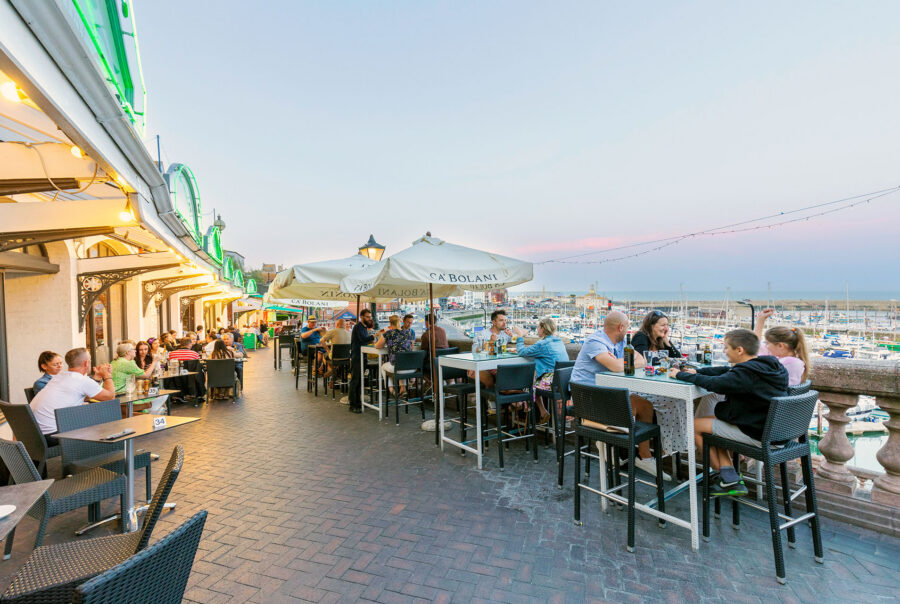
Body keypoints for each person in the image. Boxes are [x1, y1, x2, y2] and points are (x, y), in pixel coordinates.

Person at [671, 328, 789, 497]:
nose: (724, 351)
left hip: (761, 434)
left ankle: (726, 479)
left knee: (693, 426)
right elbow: (726, 371)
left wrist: (681, 375)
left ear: (739, 350)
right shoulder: (767, 366)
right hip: (775, 430)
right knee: (711, 425)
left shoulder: (745, 373)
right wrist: (698, 371)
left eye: (726, 347)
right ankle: (728, 474)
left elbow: (716, 384)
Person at [572, 312, 666, 478]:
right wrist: (623, 363)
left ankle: (644, 457)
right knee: (632, 405)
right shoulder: (596, 341)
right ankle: (611, 445)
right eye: (627, 326)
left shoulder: (621, 342)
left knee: (646, 405)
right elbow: (615, 367)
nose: (628, 329)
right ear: (621, 327)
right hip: (587, 399)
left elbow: (642, 360)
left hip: (606, 393)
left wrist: (622, 362)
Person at [30, 348, 116, 445]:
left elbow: (84, 396)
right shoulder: (81, 380)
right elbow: (110, 397)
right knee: (104, 425)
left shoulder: (59, 377)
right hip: (54, 435)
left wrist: (98, 376)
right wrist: (107, 375)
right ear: (86, 363)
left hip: (35, 435)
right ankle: (105, 456)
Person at [512, 317, 569, 423]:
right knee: (533, 381)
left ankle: (521, 406)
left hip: (551, 383)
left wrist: (520, 336)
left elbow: (521, 352)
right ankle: (542, 412)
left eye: (538, 327)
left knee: (528, 384)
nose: (537, 329)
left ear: (543, 328)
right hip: (563, 382)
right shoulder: (559, 342)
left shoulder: (542, 344)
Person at [754, 308, 809, 386]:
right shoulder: (787, 359)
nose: (766, 346)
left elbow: (755, 348)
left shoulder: (787, 363)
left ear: (780, 346)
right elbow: (756, 345)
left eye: (767, 343)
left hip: (773, 397)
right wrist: (761, 320)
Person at [469, 310, 515, 389]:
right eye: (501, 320)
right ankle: (494, 398)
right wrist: (490, 342)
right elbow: (474, 351)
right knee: (502, 375)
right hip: (484, 365)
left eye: (505, 320)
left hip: (498, 365)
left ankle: (513, 399)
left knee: (514, 372)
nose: (504, 323)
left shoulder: (505, 334)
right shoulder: (483, 334)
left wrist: (513, 335)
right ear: (494, 322)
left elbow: (523, 333)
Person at [375, 315, 415, 395]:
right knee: (397, 364)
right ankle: (403, 388)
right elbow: (412, 347)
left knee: (384, 366)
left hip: (398, 367)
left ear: (390, 323)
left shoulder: (388, 333)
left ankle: (390, 390)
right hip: (411, 367)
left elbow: (378, 346)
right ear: (400, 322)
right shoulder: (409, 333)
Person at [349, 308, 379, 413]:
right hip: (357, 356)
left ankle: (358, 402)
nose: (369, 319)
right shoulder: (358, 327)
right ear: (361, 317)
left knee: (360, 380)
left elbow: (364, 340)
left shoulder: (363, 327)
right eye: (367, 317)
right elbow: (363, 339)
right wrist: (374, 335)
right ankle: (352, 404)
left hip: (362, 356)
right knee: (355, 380)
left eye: (370, 317)